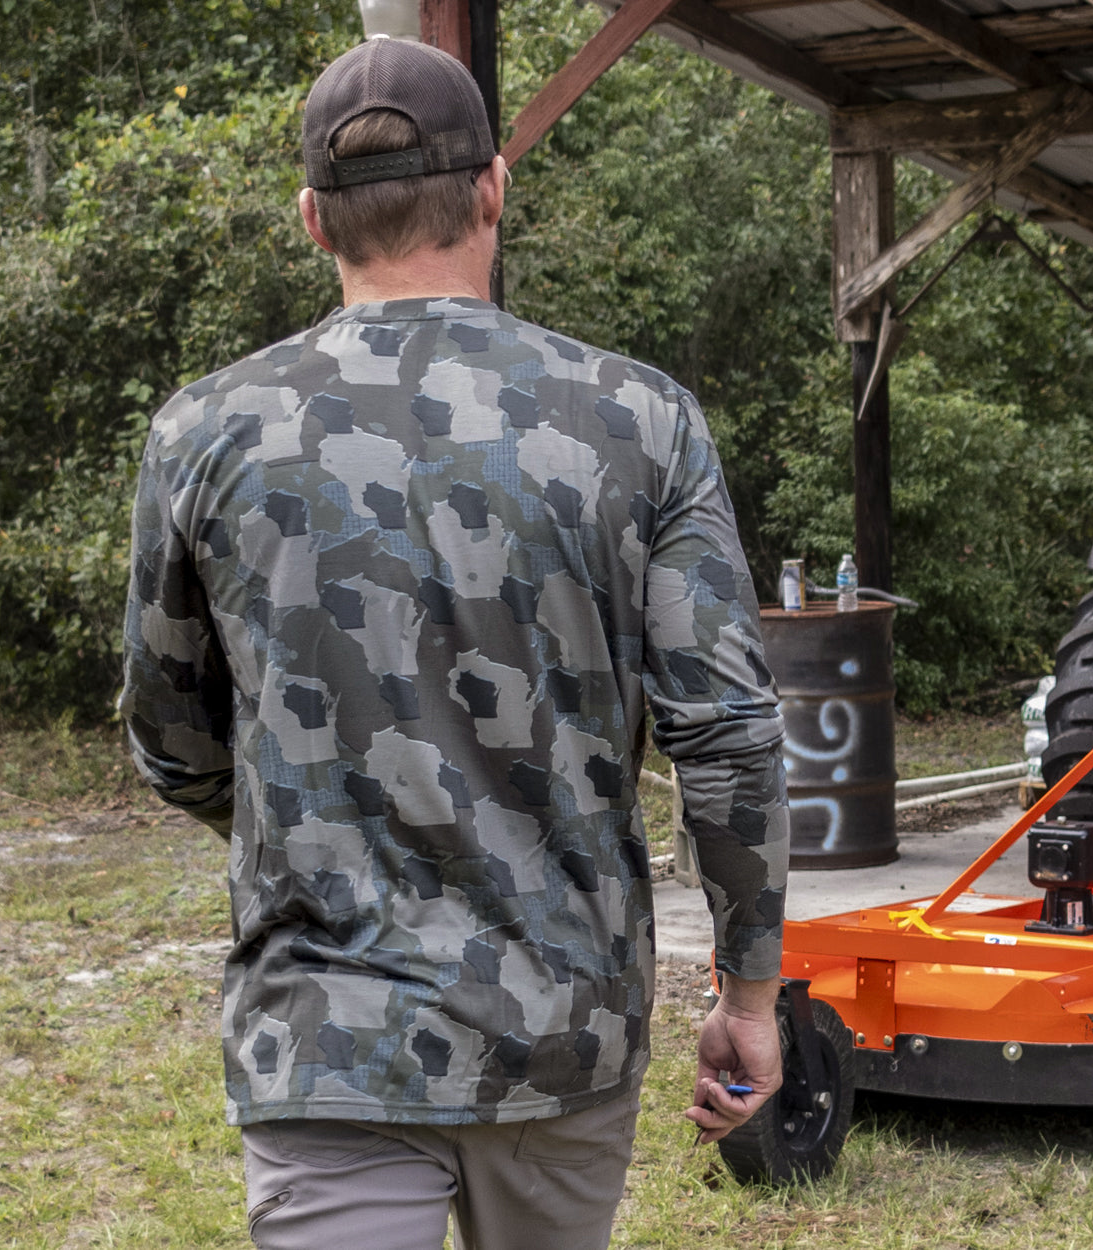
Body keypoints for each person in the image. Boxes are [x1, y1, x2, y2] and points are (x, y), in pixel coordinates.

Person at [119, 35, 789, 1250]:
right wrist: (748, 988)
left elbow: (172, 740)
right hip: (560, 1029)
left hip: (324, 1029)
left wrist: (320, 811)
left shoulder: (201, 434)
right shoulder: (640, 424)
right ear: (492, 188)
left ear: (314, 219)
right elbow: (728, 739)